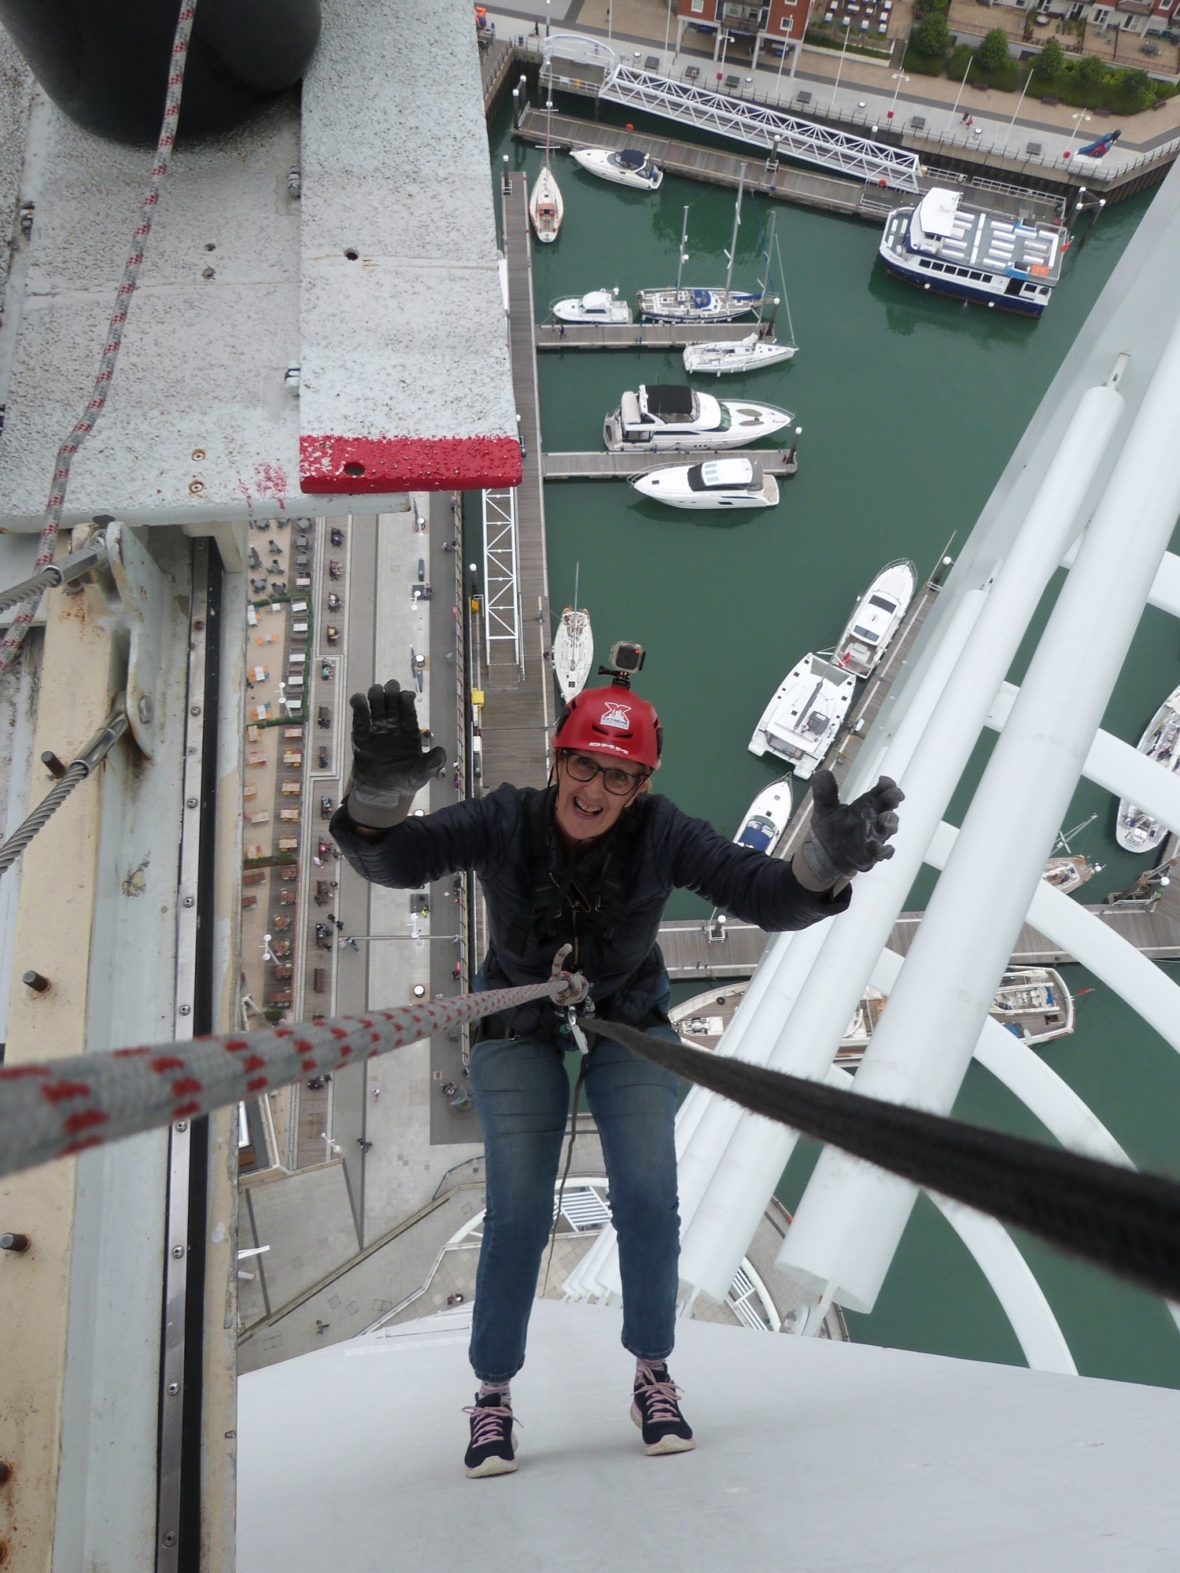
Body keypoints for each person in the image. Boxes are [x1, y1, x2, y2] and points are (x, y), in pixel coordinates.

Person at [331, 670, 902, 1481]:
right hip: (520, 1015)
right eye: (584, 766)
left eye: (620, 775)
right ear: (558, 760)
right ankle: (491, 1390)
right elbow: (397, 860)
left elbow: (763, 892)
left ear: (641, 788)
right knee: (519, 1211)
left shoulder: (662, 833)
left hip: (625, 1011)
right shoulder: (505, 820)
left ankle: (652, 1373)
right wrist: (377, 798)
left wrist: (822, 863)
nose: (596, 789)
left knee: (647, 1195)